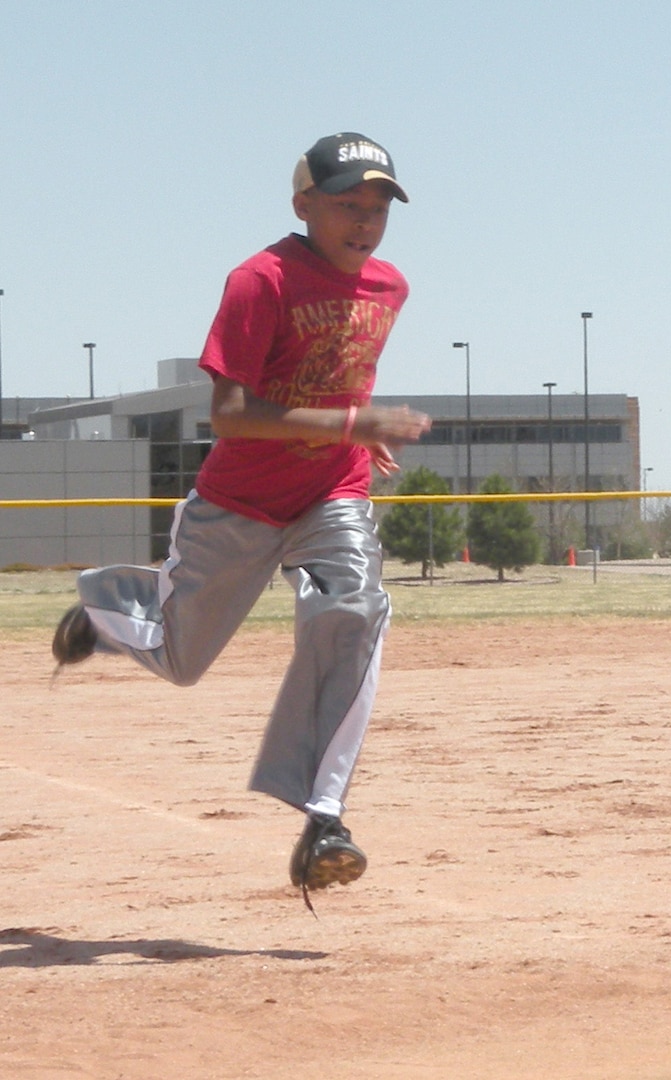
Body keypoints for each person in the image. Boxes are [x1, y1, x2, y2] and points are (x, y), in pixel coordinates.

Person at [52, 131, 431, 911]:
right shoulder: (260, 280)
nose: (364, 221)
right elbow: (227, 415)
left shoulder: (388, 287)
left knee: (353, 611)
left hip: (333, 495)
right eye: (345, 204)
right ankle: (104, 607)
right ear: (303, 205)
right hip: (237, 505)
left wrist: (354, 441)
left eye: (377, 208)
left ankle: (323, 819)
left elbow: (337, 378)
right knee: (182, 659)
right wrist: (351, 424)